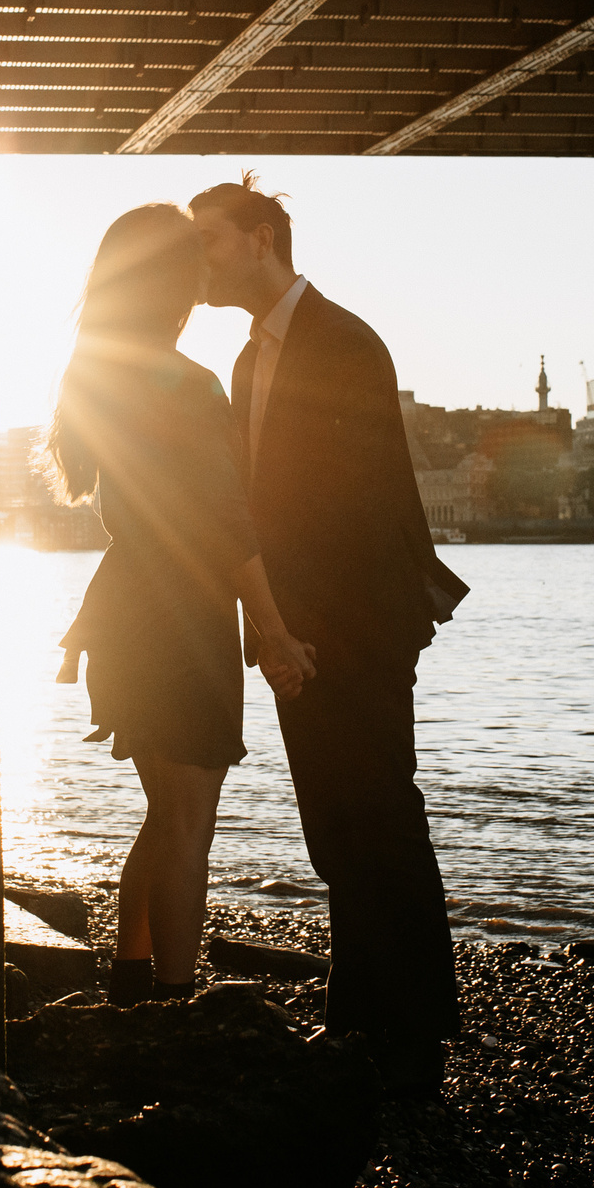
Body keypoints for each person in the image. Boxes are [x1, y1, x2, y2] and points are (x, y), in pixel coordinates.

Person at [189, 174, 469, 1092]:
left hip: (358, 627)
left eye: (211, 241)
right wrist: (273, 632)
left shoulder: (346, 341)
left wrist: (319, 634)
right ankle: (357, 1016)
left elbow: (360, 505)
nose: (200, 261)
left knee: (383, 812)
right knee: (333, 828)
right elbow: (257, 510)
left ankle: (418, 1037)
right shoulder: (244, 363)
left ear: (261, 238)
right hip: (294, 634)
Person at [50, 204, 316, 1008]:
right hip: (182, 619)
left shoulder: (93, 372)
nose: (207, 258)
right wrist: (276, 632)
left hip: (125, 614)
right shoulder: (188, 382)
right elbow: (227, 526)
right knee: (189, 825)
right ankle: (171, 1004)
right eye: (192, 247)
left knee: (163, 813)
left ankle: (132, 983)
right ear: (169, 274)